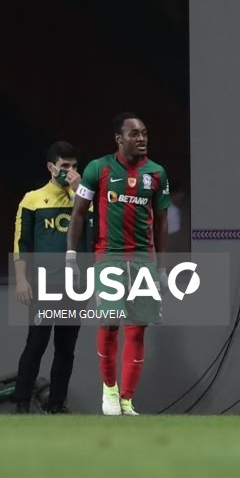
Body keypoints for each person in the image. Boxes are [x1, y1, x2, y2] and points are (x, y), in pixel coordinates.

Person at [67, 112, 170, 416]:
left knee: (137, 331)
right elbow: (78, 213)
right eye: (135, 134)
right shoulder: (97, 168)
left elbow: (162, 222)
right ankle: (109, 391)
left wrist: (162, 267)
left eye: (145, 133)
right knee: (110, 323)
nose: (142, 139)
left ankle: (126, 399)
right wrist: (71, 256)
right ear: (119, 139)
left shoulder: (157, 173)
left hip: (142, 259)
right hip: (108, 256)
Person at [12, 141, 86, 414]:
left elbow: (96, 232)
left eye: (75, 166)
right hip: (44, 284)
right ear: (51, 166)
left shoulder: (84, 200)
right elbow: (22, 242)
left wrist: (80, 193)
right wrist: (21, 280)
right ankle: (21, 403)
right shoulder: (32, 199)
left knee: (66, 348)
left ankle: (56, 404)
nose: (71, 171)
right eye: (65, 166)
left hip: (77, 286)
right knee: (37, 343)